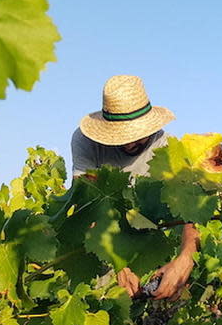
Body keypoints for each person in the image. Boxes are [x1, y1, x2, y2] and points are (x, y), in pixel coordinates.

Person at [71, 75, 198, 300]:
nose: (129, 144)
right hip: (105, 249)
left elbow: (192, 212)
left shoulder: (168, 149)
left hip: (154, 250)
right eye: (120, 137)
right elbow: (87, 205)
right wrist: (118, 262)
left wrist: (185, 258)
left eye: (136, 136)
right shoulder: (86, 142)